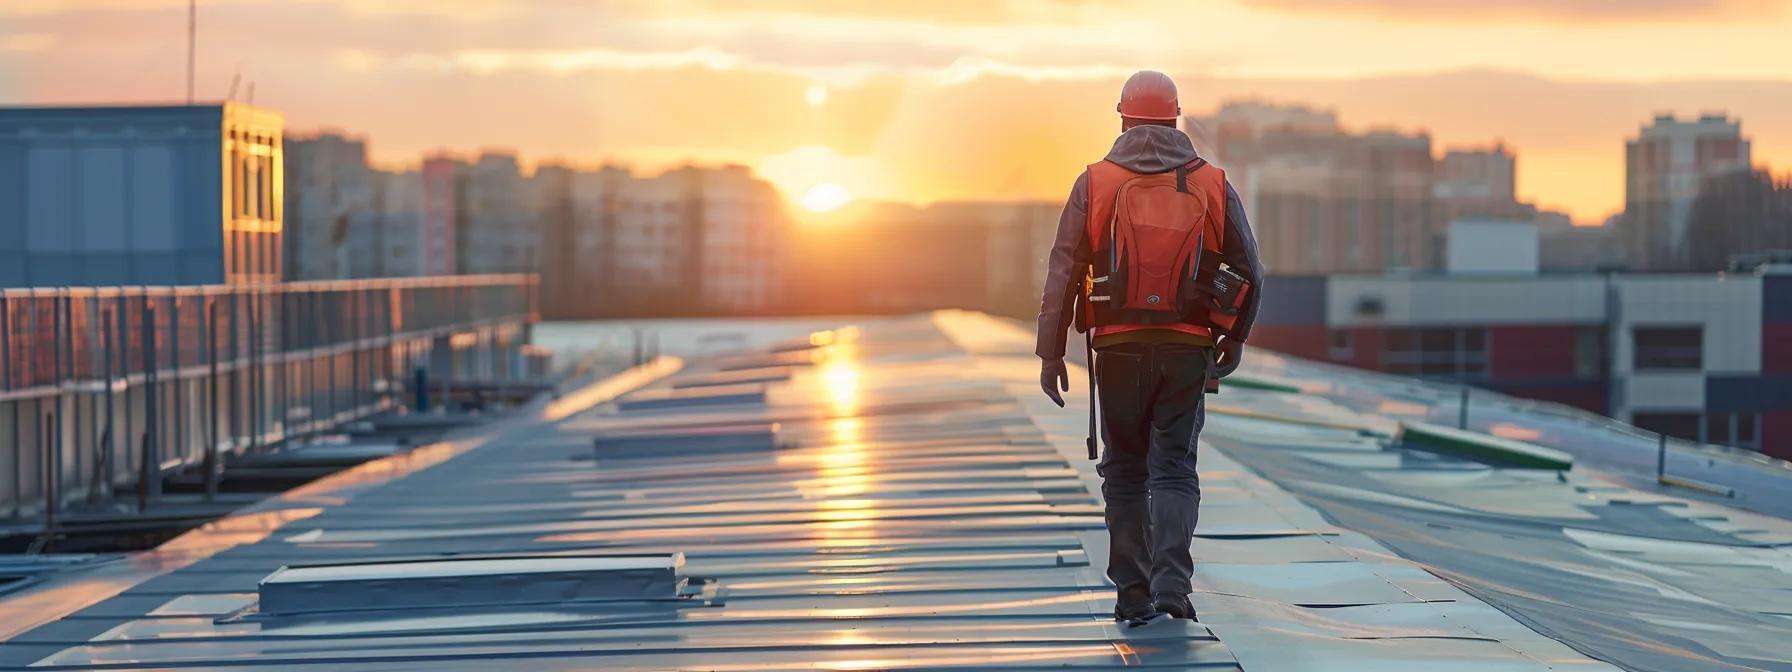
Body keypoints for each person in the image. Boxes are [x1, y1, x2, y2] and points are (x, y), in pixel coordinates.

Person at [1035, 70, 1263, 624]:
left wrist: (1050, 352)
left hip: (1117, 348)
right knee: (1175, 471)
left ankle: (1132, 595)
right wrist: (1233, 339)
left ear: (1123, 118)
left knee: (1125, 472)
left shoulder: (1095, 182)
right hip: (1187, 348)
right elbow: (1252, 268)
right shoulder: (1212, 182)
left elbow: (1064, 269)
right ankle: (1172, 592)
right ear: (1176, 119)